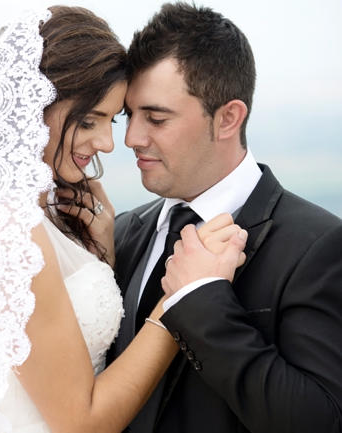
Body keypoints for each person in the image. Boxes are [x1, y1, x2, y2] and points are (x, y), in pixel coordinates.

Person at [0, 6, 246, 433]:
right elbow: (80, 422)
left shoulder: (19, 213)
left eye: (112, 120)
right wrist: (180, 299)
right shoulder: (3, 226)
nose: (108, 143)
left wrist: (99, 255)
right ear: (36, 108)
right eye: (89, 120)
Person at [107, 3, 342, 433]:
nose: (131, 138)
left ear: (228, 118)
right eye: (130, 115)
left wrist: (201, 300)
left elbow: (321, 420)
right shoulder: (120, 233)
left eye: (156, 118)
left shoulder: (319, 246)